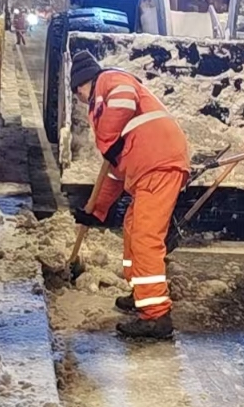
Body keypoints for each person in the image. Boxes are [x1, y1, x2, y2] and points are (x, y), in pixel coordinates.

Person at [69, 50, 191, 340]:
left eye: (78, 91)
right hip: (148, 166)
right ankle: (142, 293)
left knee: (146, 237)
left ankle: (156, 316)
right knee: (133, 228)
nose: (79, 97)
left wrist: (108, 139)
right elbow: (113, 172)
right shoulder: (106, 106)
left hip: (159, 163)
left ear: (84, 82)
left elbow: (125, 96)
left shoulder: (109, 80)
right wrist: (96, 210)